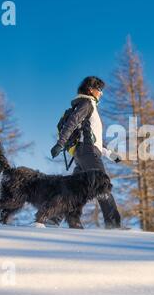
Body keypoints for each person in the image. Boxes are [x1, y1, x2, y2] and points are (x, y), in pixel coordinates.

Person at [50, 76, 121, 229]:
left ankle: (53, 219)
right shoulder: (86, 103)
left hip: (85, 152)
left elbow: (95, 138)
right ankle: (113, 225)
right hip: (87, 151)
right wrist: (60, 143)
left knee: (73, 189)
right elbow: (72, 122)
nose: (101, 93)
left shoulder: (91, 106)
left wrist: (110, 154)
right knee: (103, 185)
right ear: (90, 89)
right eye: (99, 89)